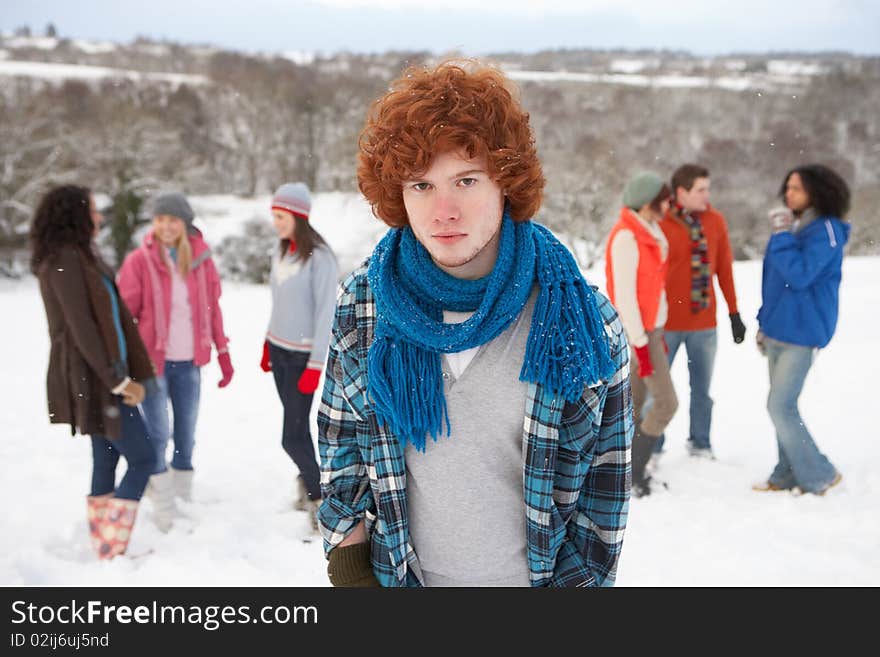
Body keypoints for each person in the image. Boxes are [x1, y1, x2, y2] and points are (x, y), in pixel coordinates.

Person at [317, 60, 632, 587]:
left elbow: (604, 496)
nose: (444, 211)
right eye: (421, 185)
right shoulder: (366, 302)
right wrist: (350, 568)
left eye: (466, 180)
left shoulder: (583, 321)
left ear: (506, 182)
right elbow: (341, 442)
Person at [31, 185, 156, 559]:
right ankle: (111, 545)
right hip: (95, 377)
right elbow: (82, 329)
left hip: (103, 373)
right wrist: (118, 380)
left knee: (106, 456)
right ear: (75, 215)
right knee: (145, 458)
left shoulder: (81, 256)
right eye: (93, 210)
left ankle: (107, 547)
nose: (99, 216)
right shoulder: (64, 260)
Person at [117, 192, 233, 531]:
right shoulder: (140, 262)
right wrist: (124, 363)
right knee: (158, 433)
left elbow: (213, 310)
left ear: (184, 224)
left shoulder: (201, 261)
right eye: (160, 219)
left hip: (189, 362)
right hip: (152, 364)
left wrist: (223, 353)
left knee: (186, 432)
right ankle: (164, 504)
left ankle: (182, 497)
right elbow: (124, 315)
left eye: (172, 220)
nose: (166, 226)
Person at [753, 164, 849, 495]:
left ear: (816, 192)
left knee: (780, 405)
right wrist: (764, 322)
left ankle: (820, 473)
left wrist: (781, 236)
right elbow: (775, 282)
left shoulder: (827, 231)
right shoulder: (795, 227)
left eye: (796, 188)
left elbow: (801, 274)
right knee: (783, 407)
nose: (788, 193)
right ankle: (786, 473)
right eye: (788, 187)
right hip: (778, 329)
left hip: (803, 332)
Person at [260, 182, 338, 528]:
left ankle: (320, 499)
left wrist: (316, 365)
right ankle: (306, 484)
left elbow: (326, 314)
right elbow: (279, 302)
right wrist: (267, 342)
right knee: (297, 429)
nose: (276, 223)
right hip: (279, 351)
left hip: (303, 358)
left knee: (291, 435)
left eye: (281, 216)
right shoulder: (281, 252)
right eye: (274, 216)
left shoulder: (320, 258)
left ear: (298, 216)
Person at [657, 164, 744, 460]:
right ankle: (651, 447)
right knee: (657, 391)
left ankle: (700, 443)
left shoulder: (715, 221)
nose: (708, 195)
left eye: (708, 188)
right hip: (665, 323)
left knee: (702, 391)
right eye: (701, 190)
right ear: (681, 192)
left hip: (704, 323)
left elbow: (724, 269)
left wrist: (734, 314)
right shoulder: (660, 221)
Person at [605, 171, 679, 498]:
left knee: (631, 406)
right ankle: (634, 473)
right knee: (665, 403)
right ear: (649, 202)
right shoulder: (627, 238)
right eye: (664, 198)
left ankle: (622, 475)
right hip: (639, 333)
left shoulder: (649, 230)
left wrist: (656, 331)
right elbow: (625, 297)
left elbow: (653, 288)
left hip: (651, 330)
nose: (669, 204)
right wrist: (642, 345)